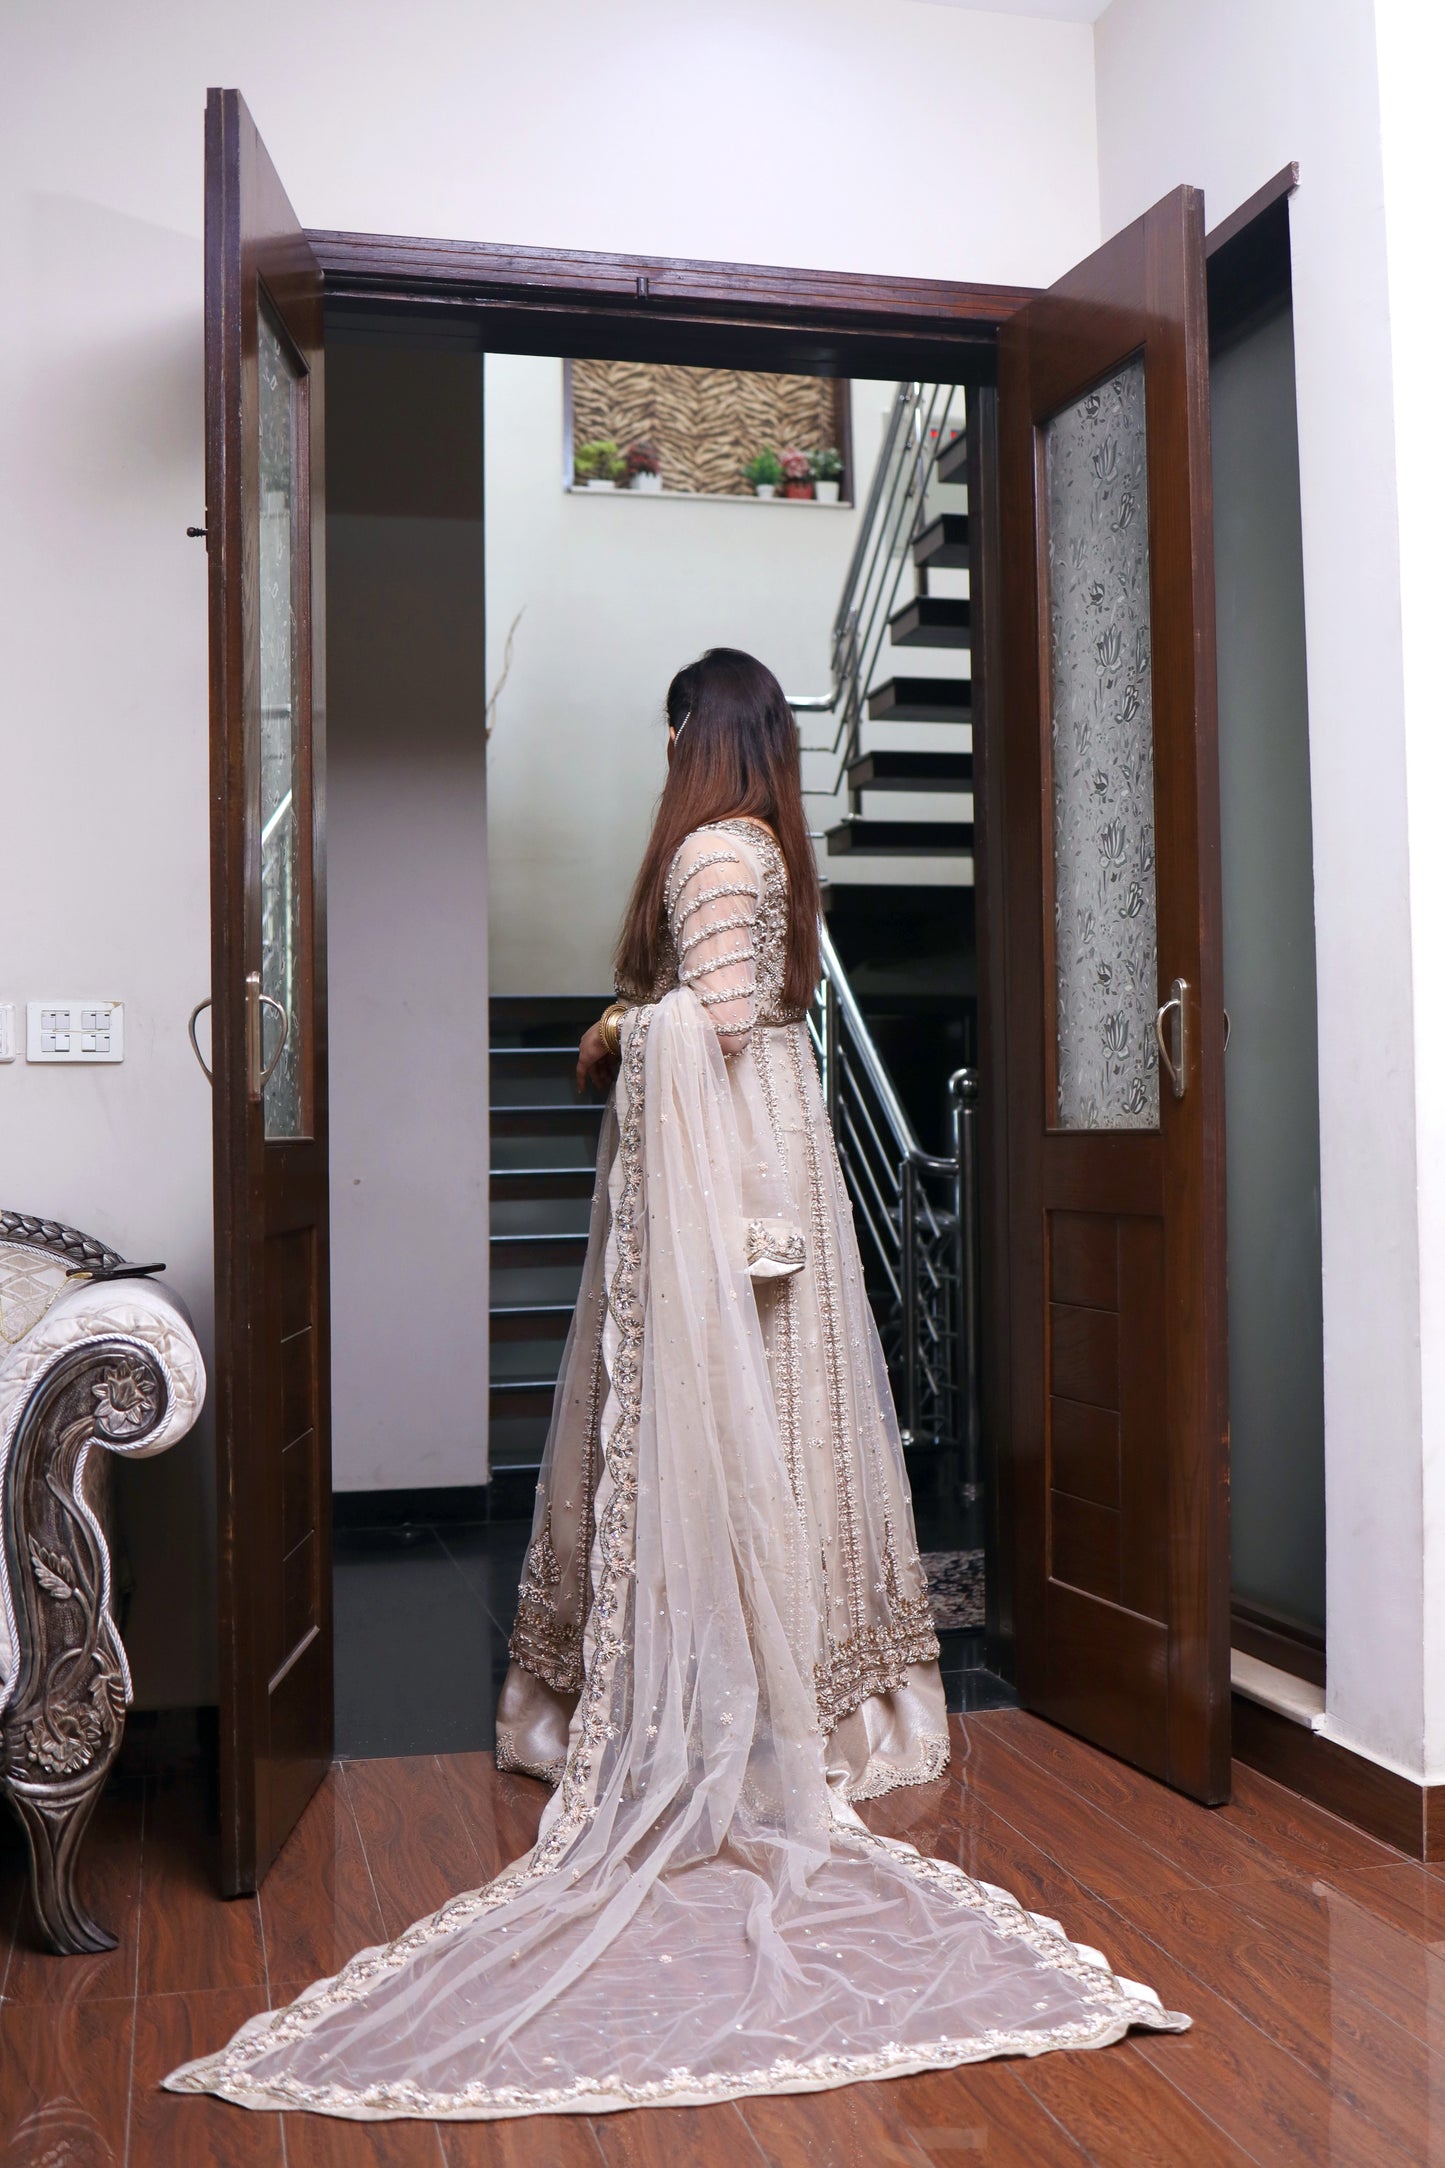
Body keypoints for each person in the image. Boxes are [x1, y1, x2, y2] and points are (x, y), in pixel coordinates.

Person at [168, 648, 1186, 2124]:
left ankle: (736, 1707)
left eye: (668, 728)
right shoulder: (771, 846)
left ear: (694, 735)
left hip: (734, 1191)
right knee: (775, 1433)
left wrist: (609, 1028)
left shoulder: (714, 847)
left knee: (727, 1435)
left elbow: (705, 1023)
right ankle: (816, 1692)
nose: (660, 750)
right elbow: (746, 1015)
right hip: (772, 1160)